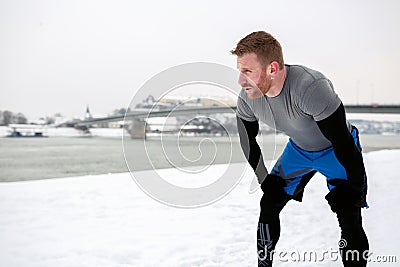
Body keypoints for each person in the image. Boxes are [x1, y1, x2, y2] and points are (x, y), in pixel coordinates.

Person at [231, 31, 369, 267]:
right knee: (269, 203)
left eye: (247, 72)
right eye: (240, 71)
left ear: (272, 69)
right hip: (299, 150)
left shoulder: (310, 87)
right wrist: (264, 179)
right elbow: (247, 139)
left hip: (336, 150)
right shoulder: (249, 96)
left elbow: (343, 142)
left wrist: (355, 189)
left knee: (349, 216)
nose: (240, 81)